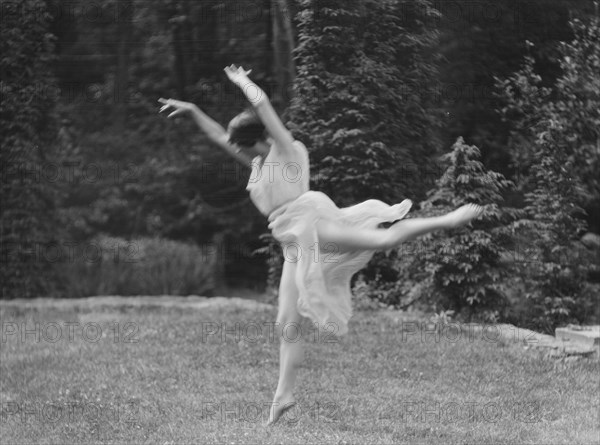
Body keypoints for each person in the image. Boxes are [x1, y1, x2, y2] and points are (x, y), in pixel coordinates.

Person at [159, 64, 483, 425]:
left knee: (383, 239)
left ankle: (447, 219)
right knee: (286, 321)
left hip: (312, 221)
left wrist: (244, 81)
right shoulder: (257, 161)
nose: (235, 148)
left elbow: (263, 105)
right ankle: (284, 395)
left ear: (258, 138)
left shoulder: (287, 150)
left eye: (242, 143)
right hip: (293, 241)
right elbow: (221, 137)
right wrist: (192, 111)